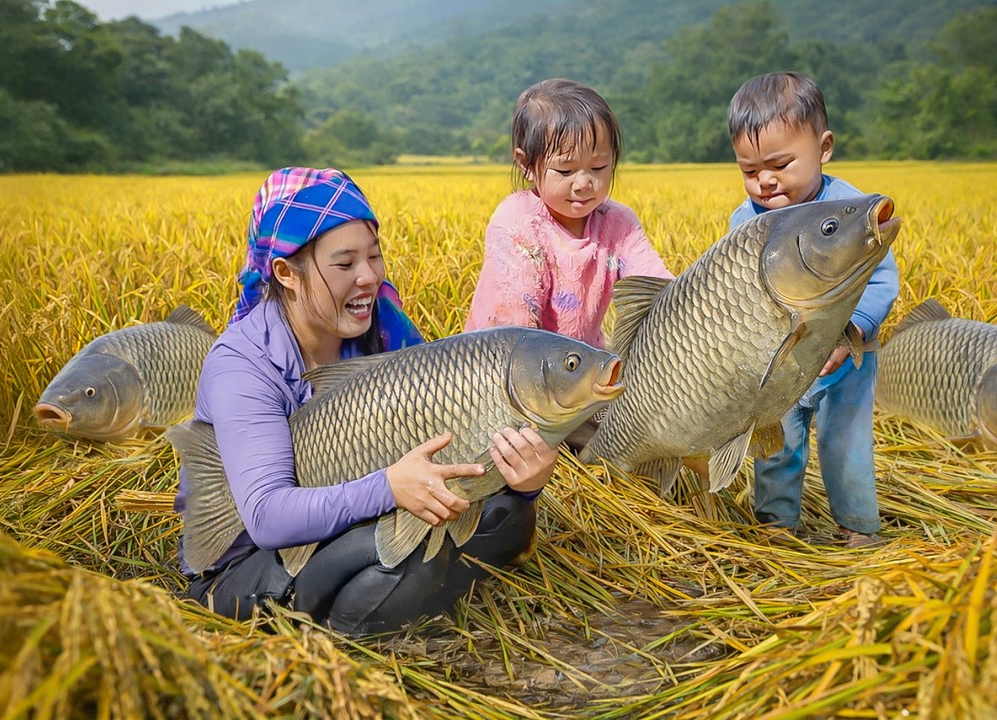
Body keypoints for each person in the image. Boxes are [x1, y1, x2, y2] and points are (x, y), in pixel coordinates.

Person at [174, 167, 559, 635]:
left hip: (358, 514)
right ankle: (360, 622)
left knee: (509, 515)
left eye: (374, 257)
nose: (368, 277)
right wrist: (391, 489)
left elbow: (451, 441)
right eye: (344, 264)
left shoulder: (383, 326)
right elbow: (267, 518)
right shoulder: (242, 366)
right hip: (248, 561)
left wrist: (525, 481)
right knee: (397, 557)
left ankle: (411, 595)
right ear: (284, 273)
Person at [726, 72, 899, 548]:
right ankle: (777, 525)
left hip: (845, 363)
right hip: (778, 364)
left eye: (780, 164)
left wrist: (852, 333)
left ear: (823, 148)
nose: (764, 180)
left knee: (845, 446)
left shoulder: (848, 210)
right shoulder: (744, 221)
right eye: (749, 169)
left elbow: (881, 279)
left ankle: (859, 527)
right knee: (776, 446)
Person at [464, 77, 673, 349]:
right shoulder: (517, 224)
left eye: (598, 167)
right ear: (526, 164)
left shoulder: (618, 223)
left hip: (580, 367)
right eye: (566, 171)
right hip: (501, 364)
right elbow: (515, 331)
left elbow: (656, 286)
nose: (584, 183)